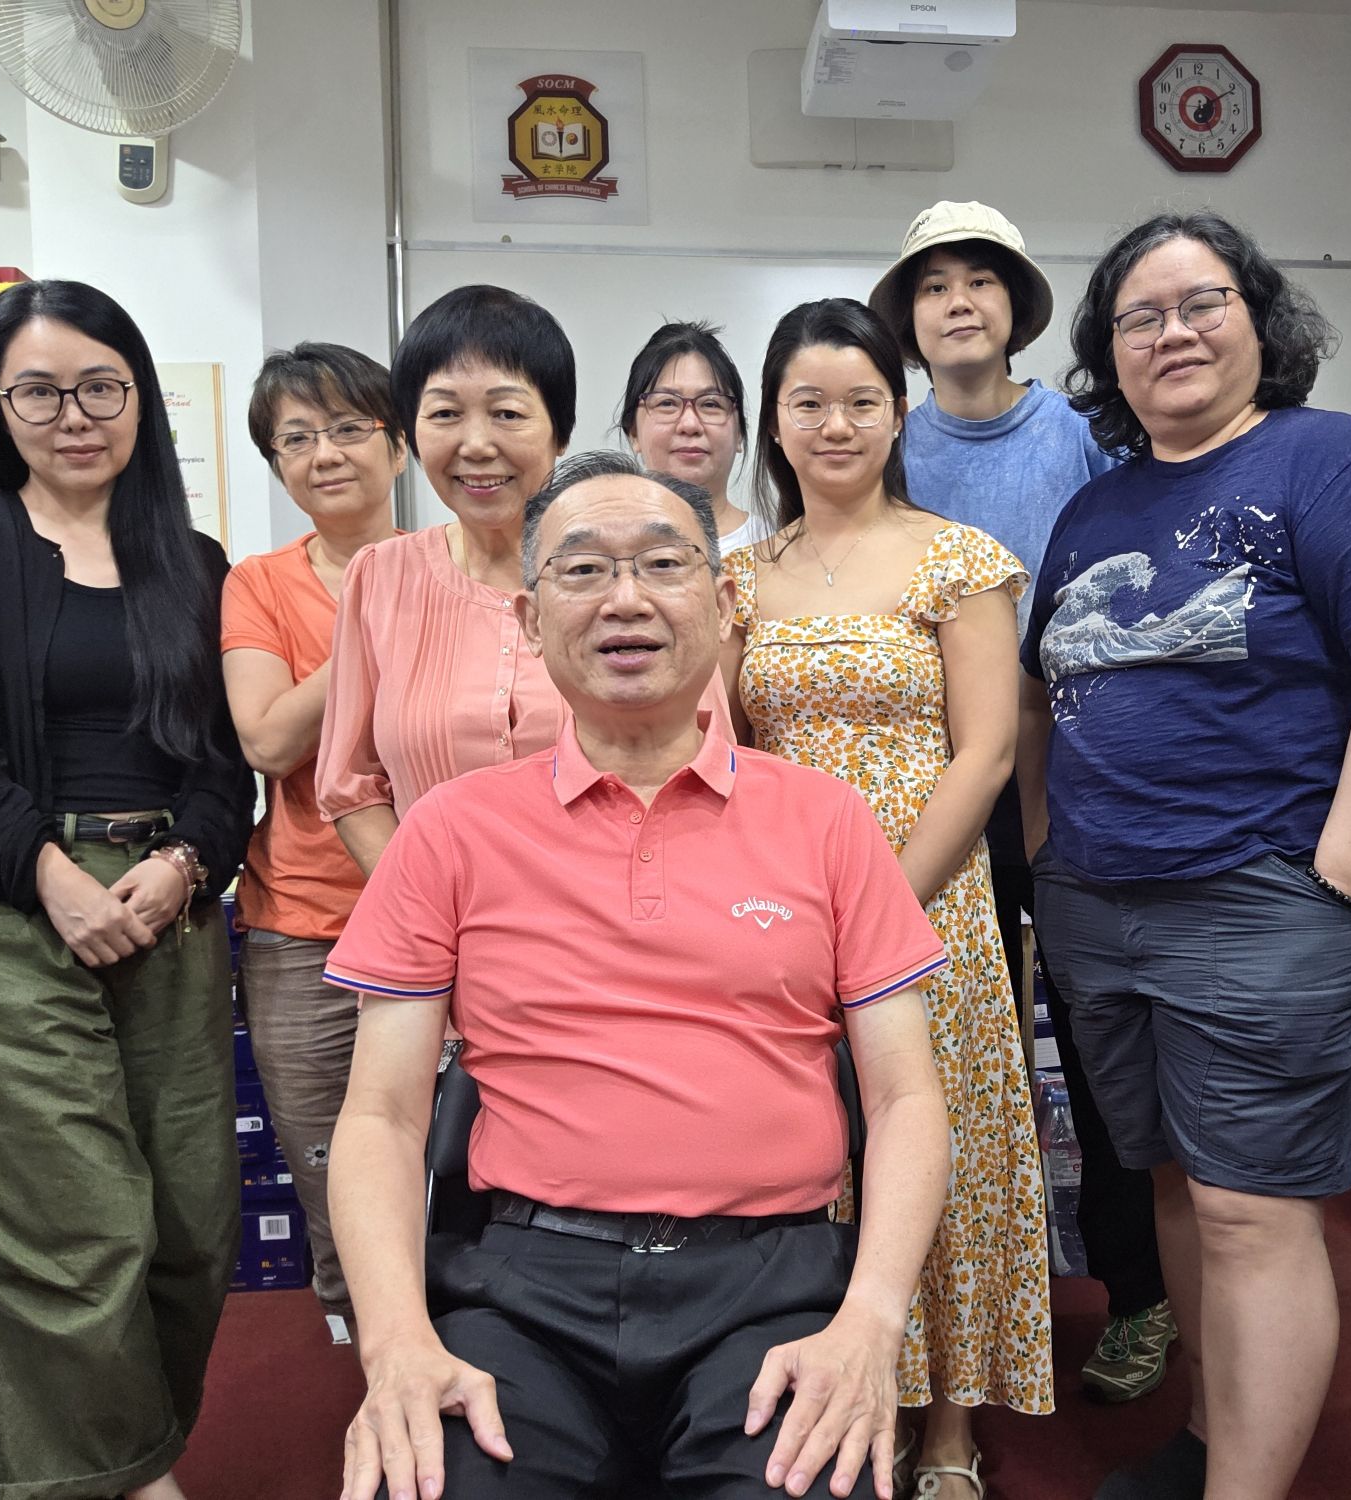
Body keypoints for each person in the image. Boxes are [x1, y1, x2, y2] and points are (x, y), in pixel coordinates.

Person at [325, 450, 952, 1500]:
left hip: (769, 1289)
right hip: (521, 1290)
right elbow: (381, 1114)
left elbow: (904, 1098)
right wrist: (396, 1345)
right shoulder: (449, 830)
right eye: (582, 570)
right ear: (531, 621)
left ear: (722, 602)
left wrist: (870, 1324)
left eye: (663, 564)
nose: (626, 599)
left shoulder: (826, 819)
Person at [1019, 211, 1351, 1500]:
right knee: (1171, 1187)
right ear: (1107, 353)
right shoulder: (1092, 508)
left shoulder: (1330, 462)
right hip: (1097, 903)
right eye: (1138, 316)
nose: (1171, 332)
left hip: (1255, 899)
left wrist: (1337, 881)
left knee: (1249, 1209)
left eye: (1200, 302)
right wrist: (1049, 856)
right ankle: (1212, 1443)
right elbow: (1043, 695)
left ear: (1257, 321)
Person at [0, 279, 254, 1500]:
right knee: (76, 1237)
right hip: (10, 920)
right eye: (39, 393)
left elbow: (225, 770)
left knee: (190, 1231)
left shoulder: (193, 564)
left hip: (169, 913)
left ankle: (134, 1459)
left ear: (138, 396)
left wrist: (183, 864)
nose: (75, 416)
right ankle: (125, 1485)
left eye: (101, 387)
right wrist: (58, 880)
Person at [724, 298, 1052, 1500]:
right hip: (776, 911)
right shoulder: (736, 576)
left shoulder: (957, 557)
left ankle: (950, 1425)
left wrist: (881, 909)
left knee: (938, 1148)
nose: (835, 424)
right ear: (773, 421)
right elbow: (725, 749)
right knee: (811, 1155)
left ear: (898, 413)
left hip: (930, 903)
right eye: (807, 402)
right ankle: (847, 1393)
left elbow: (987, 752)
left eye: (860, 401)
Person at [869, 200, 1170, 1406]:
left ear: (1015, 306)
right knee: (951, 1050)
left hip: (1075, 772)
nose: (957, 302)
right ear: (906, 318)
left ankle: (1136, 1293)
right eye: (932, 284)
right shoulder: (888, 438)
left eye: (979, 281)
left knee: (1099, 1045)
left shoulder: (1081, 437)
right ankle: (959, 1311)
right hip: (935, 784)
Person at [221, 341, 404, 1336]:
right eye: (296, 439)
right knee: (336, 1189)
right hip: (304, 932)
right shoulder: (257, 583)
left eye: (346, 428)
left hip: (453, 930)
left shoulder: (457, 566)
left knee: (460, 1176)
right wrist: (374, 623)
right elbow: (266, 739)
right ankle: (374, 1376)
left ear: (398, 445)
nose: (324, 454)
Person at [315, 284, 573, 875]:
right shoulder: (380, 577)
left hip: (606, 921)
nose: (475, 445)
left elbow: (695, 759)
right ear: (410, 433)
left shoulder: (626, 573)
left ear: (559, 432)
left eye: (508, 414)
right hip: (432, 921)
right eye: (445, 414)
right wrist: (425, 907)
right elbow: (351, 786)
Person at [619, 318, 773, 553]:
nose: (690, 424)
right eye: (667, 403)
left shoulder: (774, 549)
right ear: (633, 432)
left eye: (710, 404)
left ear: (740, 433)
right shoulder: (601, 544)